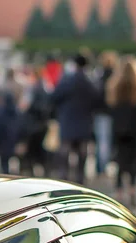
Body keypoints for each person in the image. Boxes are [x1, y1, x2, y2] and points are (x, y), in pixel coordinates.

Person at [51, 53, 100, 184]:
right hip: (84, 124)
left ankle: (64, 179)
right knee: (82, 154)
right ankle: (80, 180)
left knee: (65, 151)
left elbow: (54, 97)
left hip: (68, 122)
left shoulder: (67, 81)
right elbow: (97, 101)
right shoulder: (90, 83)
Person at [105, 56, 136, 206]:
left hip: (119, 127)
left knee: (120, 158)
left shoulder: (114, 86)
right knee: (134, 157)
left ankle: (119, 189)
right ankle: (133, 189)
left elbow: (110, 106)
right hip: (134, 127)